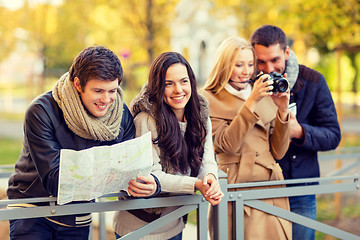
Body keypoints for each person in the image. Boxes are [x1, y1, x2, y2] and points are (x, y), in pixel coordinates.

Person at [7, 46, 160, 240]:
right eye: (98, 91)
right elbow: (56, 180)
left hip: (78, 212)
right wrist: (112, 170)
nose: (106, 99)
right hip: (32, 207)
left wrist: (146, 183)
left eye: (112, 90)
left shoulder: (120, 117)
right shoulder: (41, 111)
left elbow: (130, 171)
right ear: (78, 84)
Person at [113, 51, 224, 240]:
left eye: (183, 81)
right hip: (139, 227)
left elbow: (207, 158)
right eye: (168, 84)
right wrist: (196, 184)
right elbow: (152, 176)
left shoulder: (200, 113)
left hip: (174, 222)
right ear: (158, 86)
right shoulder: (145, 119)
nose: (178, 90)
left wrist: (210, 178)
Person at [250, 25, 341, 240]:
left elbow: (333, 135)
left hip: (300, 188)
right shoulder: (247, 84)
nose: (268, 68)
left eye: (275, 60)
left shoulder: (314, 81)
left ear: (287, 53)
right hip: (260, 188)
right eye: (260, 61)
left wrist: (299, 132)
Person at [202, 36, 292, 240]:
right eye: (239, 65)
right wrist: (251, 102)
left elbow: (278, 151)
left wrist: (283, 112)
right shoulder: (208, 98)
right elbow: (227, 145)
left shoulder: (265, 93)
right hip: (235, 185)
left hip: (270, 185)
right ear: (224, 66)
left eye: (250, 64)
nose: (247, 71)